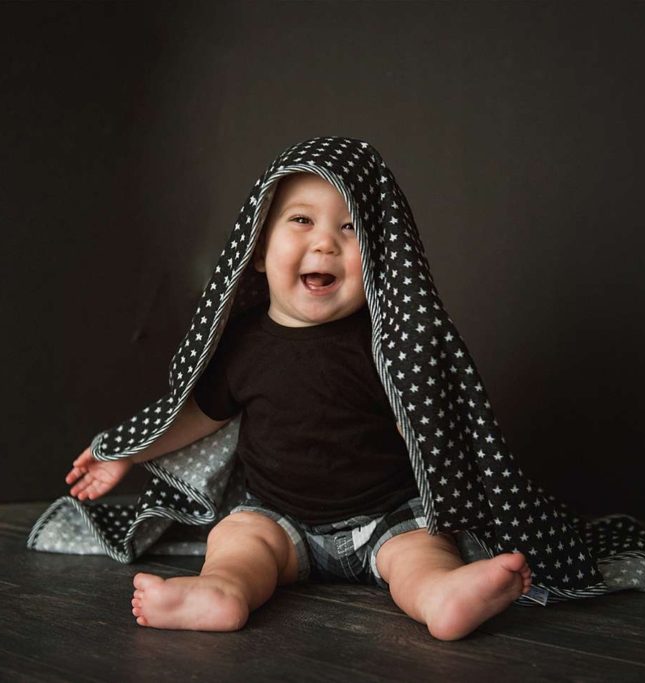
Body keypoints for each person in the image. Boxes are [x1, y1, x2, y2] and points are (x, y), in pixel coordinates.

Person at [65, 170, 532, 641]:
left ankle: (441, 596)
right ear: (260, 249)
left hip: (388, 517)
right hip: (280, 518)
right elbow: (197, 417)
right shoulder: (241, 345)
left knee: (423, 551)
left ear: (377, 258)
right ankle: (220, 592)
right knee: (236, 540)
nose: (326, 243)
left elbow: (426, 430)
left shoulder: (389, 344)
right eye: (303, 219)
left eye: (350, 229)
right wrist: (125, 450)